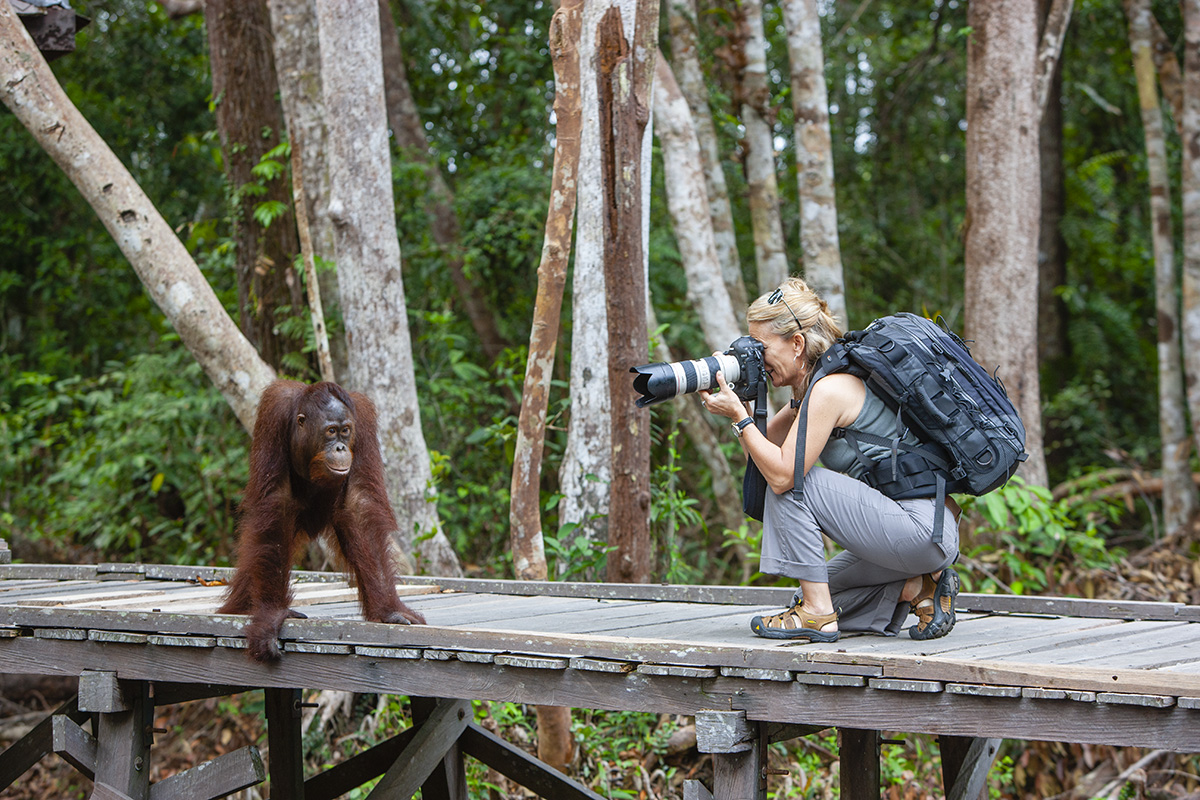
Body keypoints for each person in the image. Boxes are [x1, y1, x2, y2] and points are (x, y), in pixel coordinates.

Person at [701, 277, 960, 642]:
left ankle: (818, 616)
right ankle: (917, 588)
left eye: (760, 349)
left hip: (919, 529)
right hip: (926, 535)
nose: (754, 359)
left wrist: (739, 420)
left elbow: (780, 477)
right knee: (813, 590)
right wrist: (742, 409)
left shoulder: (830, 389)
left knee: (794, 483)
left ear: (796, 344)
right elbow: (761, 456)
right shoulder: (813, 391)